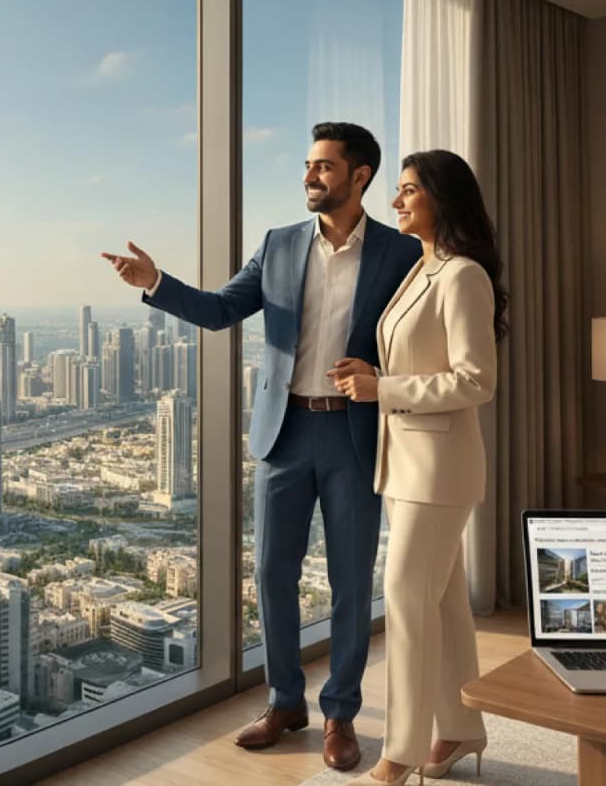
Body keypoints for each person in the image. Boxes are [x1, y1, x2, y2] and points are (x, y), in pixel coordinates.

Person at [103, 122, 421, 772]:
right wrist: (156, 280)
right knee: (272, 573)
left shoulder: (400, 253)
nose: (310, 176)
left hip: (354, 432)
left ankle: (340, 713)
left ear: (360, 176)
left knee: (351, 581)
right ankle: (285, 702)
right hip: (284, 433)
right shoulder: (278, 245)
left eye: (325, 167)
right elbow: (221, 310)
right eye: (307, 165)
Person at [328, 149, 507, 785]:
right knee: (446, 607)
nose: (396, 202)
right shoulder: (420, 270)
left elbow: (476, 380)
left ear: (441, 199)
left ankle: (399, 752)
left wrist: (387, 388)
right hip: (404, 467)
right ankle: (461, 731)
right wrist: (374, 381)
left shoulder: (462, 276)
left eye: (408, 191)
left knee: (405, 602)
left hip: (437, 469)